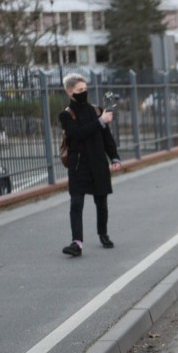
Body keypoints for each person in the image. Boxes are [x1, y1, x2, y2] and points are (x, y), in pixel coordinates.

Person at [59, 73, 122, 257]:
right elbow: (77, 134)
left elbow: (106, 137)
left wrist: (114, 157)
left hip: (98, 163)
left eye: (85, 89)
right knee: (76, 204)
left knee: (101, 202)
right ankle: (76, 243)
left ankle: (103, 234)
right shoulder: (65, 115)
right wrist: (101, 122)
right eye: (80, 90)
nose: (83, 93)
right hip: (78, 166)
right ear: (70, 92)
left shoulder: (95, 110)